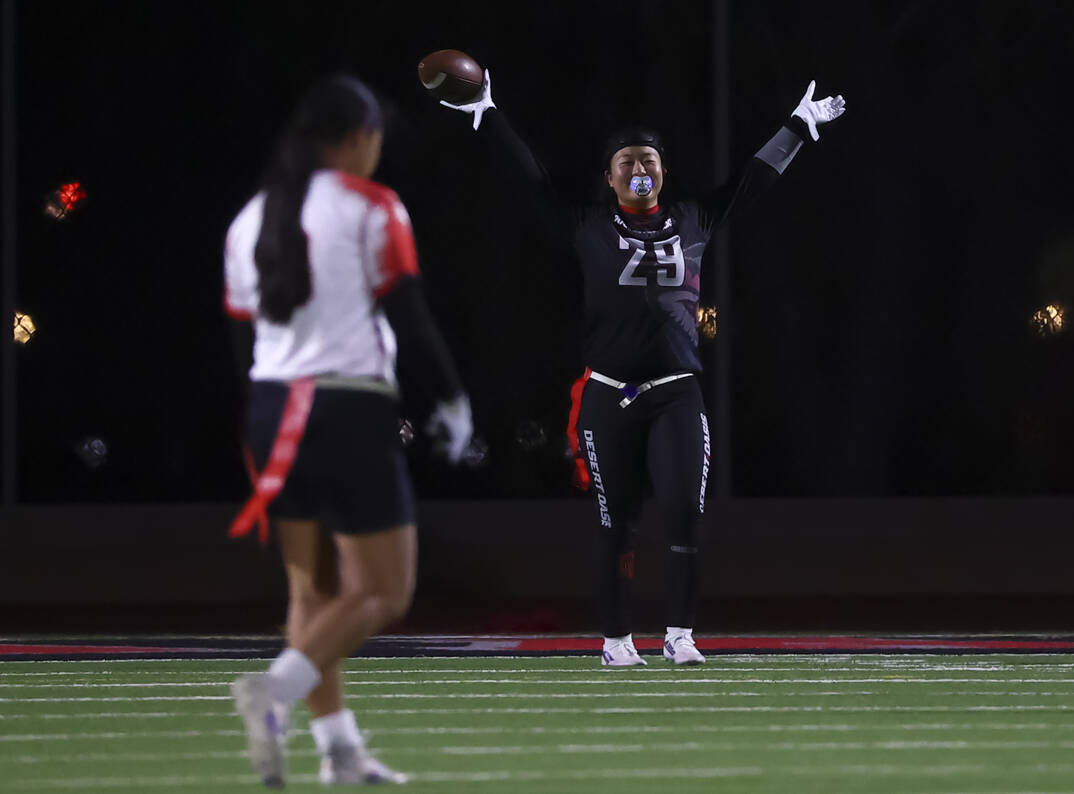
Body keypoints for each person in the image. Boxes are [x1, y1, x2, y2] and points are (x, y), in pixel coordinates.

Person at [439, 71, 844, 666]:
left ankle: (680, 633)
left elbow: (752, 182)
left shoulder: (694, 217)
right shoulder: (589, 225)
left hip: (676, 390)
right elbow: (531, 181)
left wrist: (799, 127)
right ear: (609, 175)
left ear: (663, 171)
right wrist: (488, 112)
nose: (639, 168)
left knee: (685, 512)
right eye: (627, 160)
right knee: (615, 522)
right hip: (609, 393)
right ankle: (616, 640)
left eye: (648, 159)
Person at [223, 74, 472, 786]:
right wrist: (452, 398)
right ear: (360, 137)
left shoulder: (249, 218)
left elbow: (242, 346)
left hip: (272, 413)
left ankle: (338, 751)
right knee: (382, 593)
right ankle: (273, 691)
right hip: (345, 407)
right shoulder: (373, 205)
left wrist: (255, 426)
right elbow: (409, 315)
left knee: (315, 595)